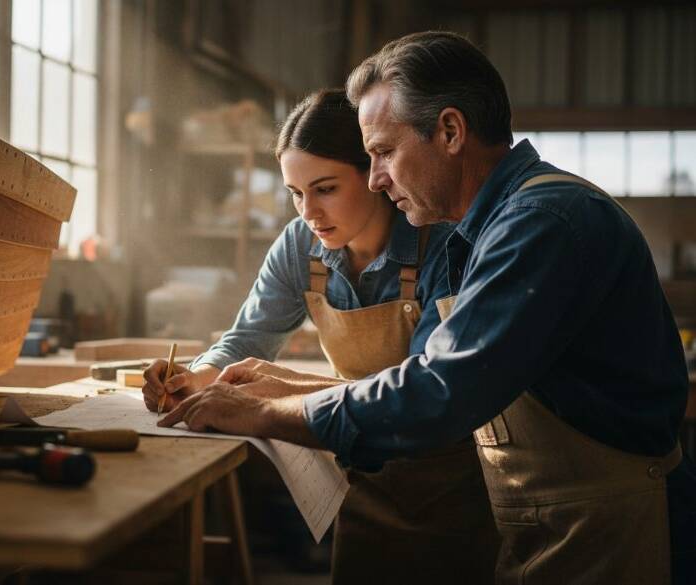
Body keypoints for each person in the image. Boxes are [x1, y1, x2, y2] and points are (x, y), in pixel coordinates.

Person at [159, 32, 696, 584]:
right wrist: (280, 389)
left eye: (384, 152)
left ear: (450, 131)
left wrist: (266, 411)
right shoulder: (490, 226)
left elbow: (439, 390)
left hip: (610, 523)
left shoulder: (539, 223)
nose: (375, 178)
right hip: (554, 517)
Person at [143, 88, 499, 583]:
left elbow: (424, 391)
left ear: (374, 173)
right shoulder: (300, 245)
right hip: (359, 468)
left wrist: (275, 395)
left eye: (325, 188)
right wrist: (197, 377)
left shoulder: (441, 246)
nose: (308, 211)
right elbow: (247, 337)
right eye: (295, 192)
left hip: (447, 482)